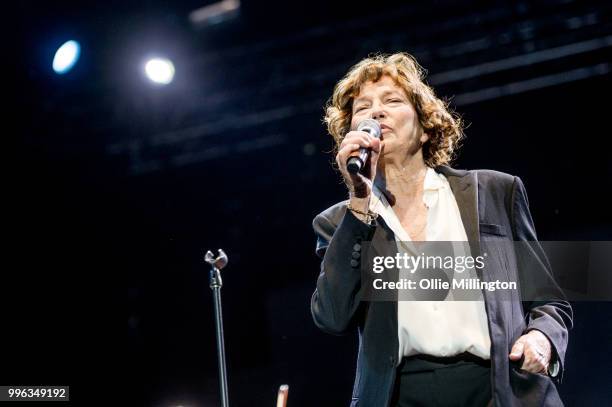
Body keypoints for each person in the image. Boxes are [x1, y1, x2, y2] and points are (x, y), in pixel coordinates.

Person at [310, 53, 572, 407]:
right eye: (363, 108)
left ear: (425, 127)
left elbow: (549, 298)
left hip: (498, 389)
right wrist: (359, 203)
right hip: (402, 394)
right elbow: (331, 315)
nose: (376, 112)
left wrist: (542, 337)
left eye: (392, 101)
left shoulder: (494, 191)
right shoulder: (339, 223)